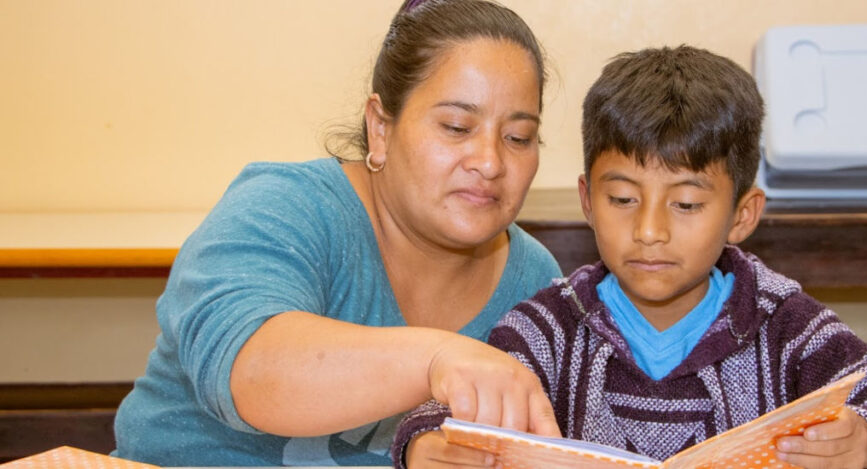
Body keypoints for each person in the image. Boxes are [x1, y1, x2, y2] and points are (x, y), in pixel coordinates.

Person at [392, 45, 867, 468]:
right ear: (587, 200)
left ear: (742, 214)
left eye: (687, 203)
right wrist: (427, 444)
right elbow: (446, 410)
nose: (649, 230)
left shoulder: (783, 323)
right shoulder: (550, 327)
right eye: (623, 199)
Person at [112, 0, 564, 465]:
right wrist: (437, 359)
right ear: (380, 128)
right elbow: (252, 374)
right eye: (456, 126)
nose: (489, 161)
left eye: (518, 138)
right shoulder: (284, 208)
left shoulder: (533, 279)